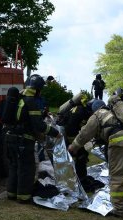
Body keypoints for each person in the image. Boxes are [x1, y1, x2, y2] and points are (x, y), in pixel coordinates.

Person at [67, 98, 123, 218]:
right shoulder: (116, 112)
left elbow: (85, 133)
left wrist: (73, 146)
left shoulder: (98, 114)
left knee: (117, 176)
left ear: (95, 109)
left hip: (119, 142)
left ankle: (121, 210)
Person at [7, 74, 61, 204]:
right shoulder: (31, 101)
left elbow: (24, 117)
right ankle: (23, 197)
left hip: (11, 137)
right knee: (26, 168)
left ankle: (11, 194)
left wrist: (42, 113)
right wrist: (55, 133)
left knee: (14, 166)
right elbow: (38, 125)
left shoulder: (19, 98)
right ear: (38, 89)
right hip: (24, 140)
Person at [62, 98, 95, 187]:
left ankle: (79, 179)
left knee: (81, 155)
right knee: (76, 156)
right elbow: (70, 130)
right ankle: (73, 180)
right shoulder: (79, 113)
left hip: (72, 134)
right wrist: (74, 146)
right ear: (90, 109)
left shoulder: (85, 112)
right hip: (65, 135)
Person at [35, 96, 49, 162]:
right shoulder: (32, 99)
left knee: (41, 140)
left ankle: (41, 158)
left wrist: (47, 112)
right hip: (34, 123)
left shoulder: (43, 99)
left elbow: (47, 109)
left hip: (42, 122)